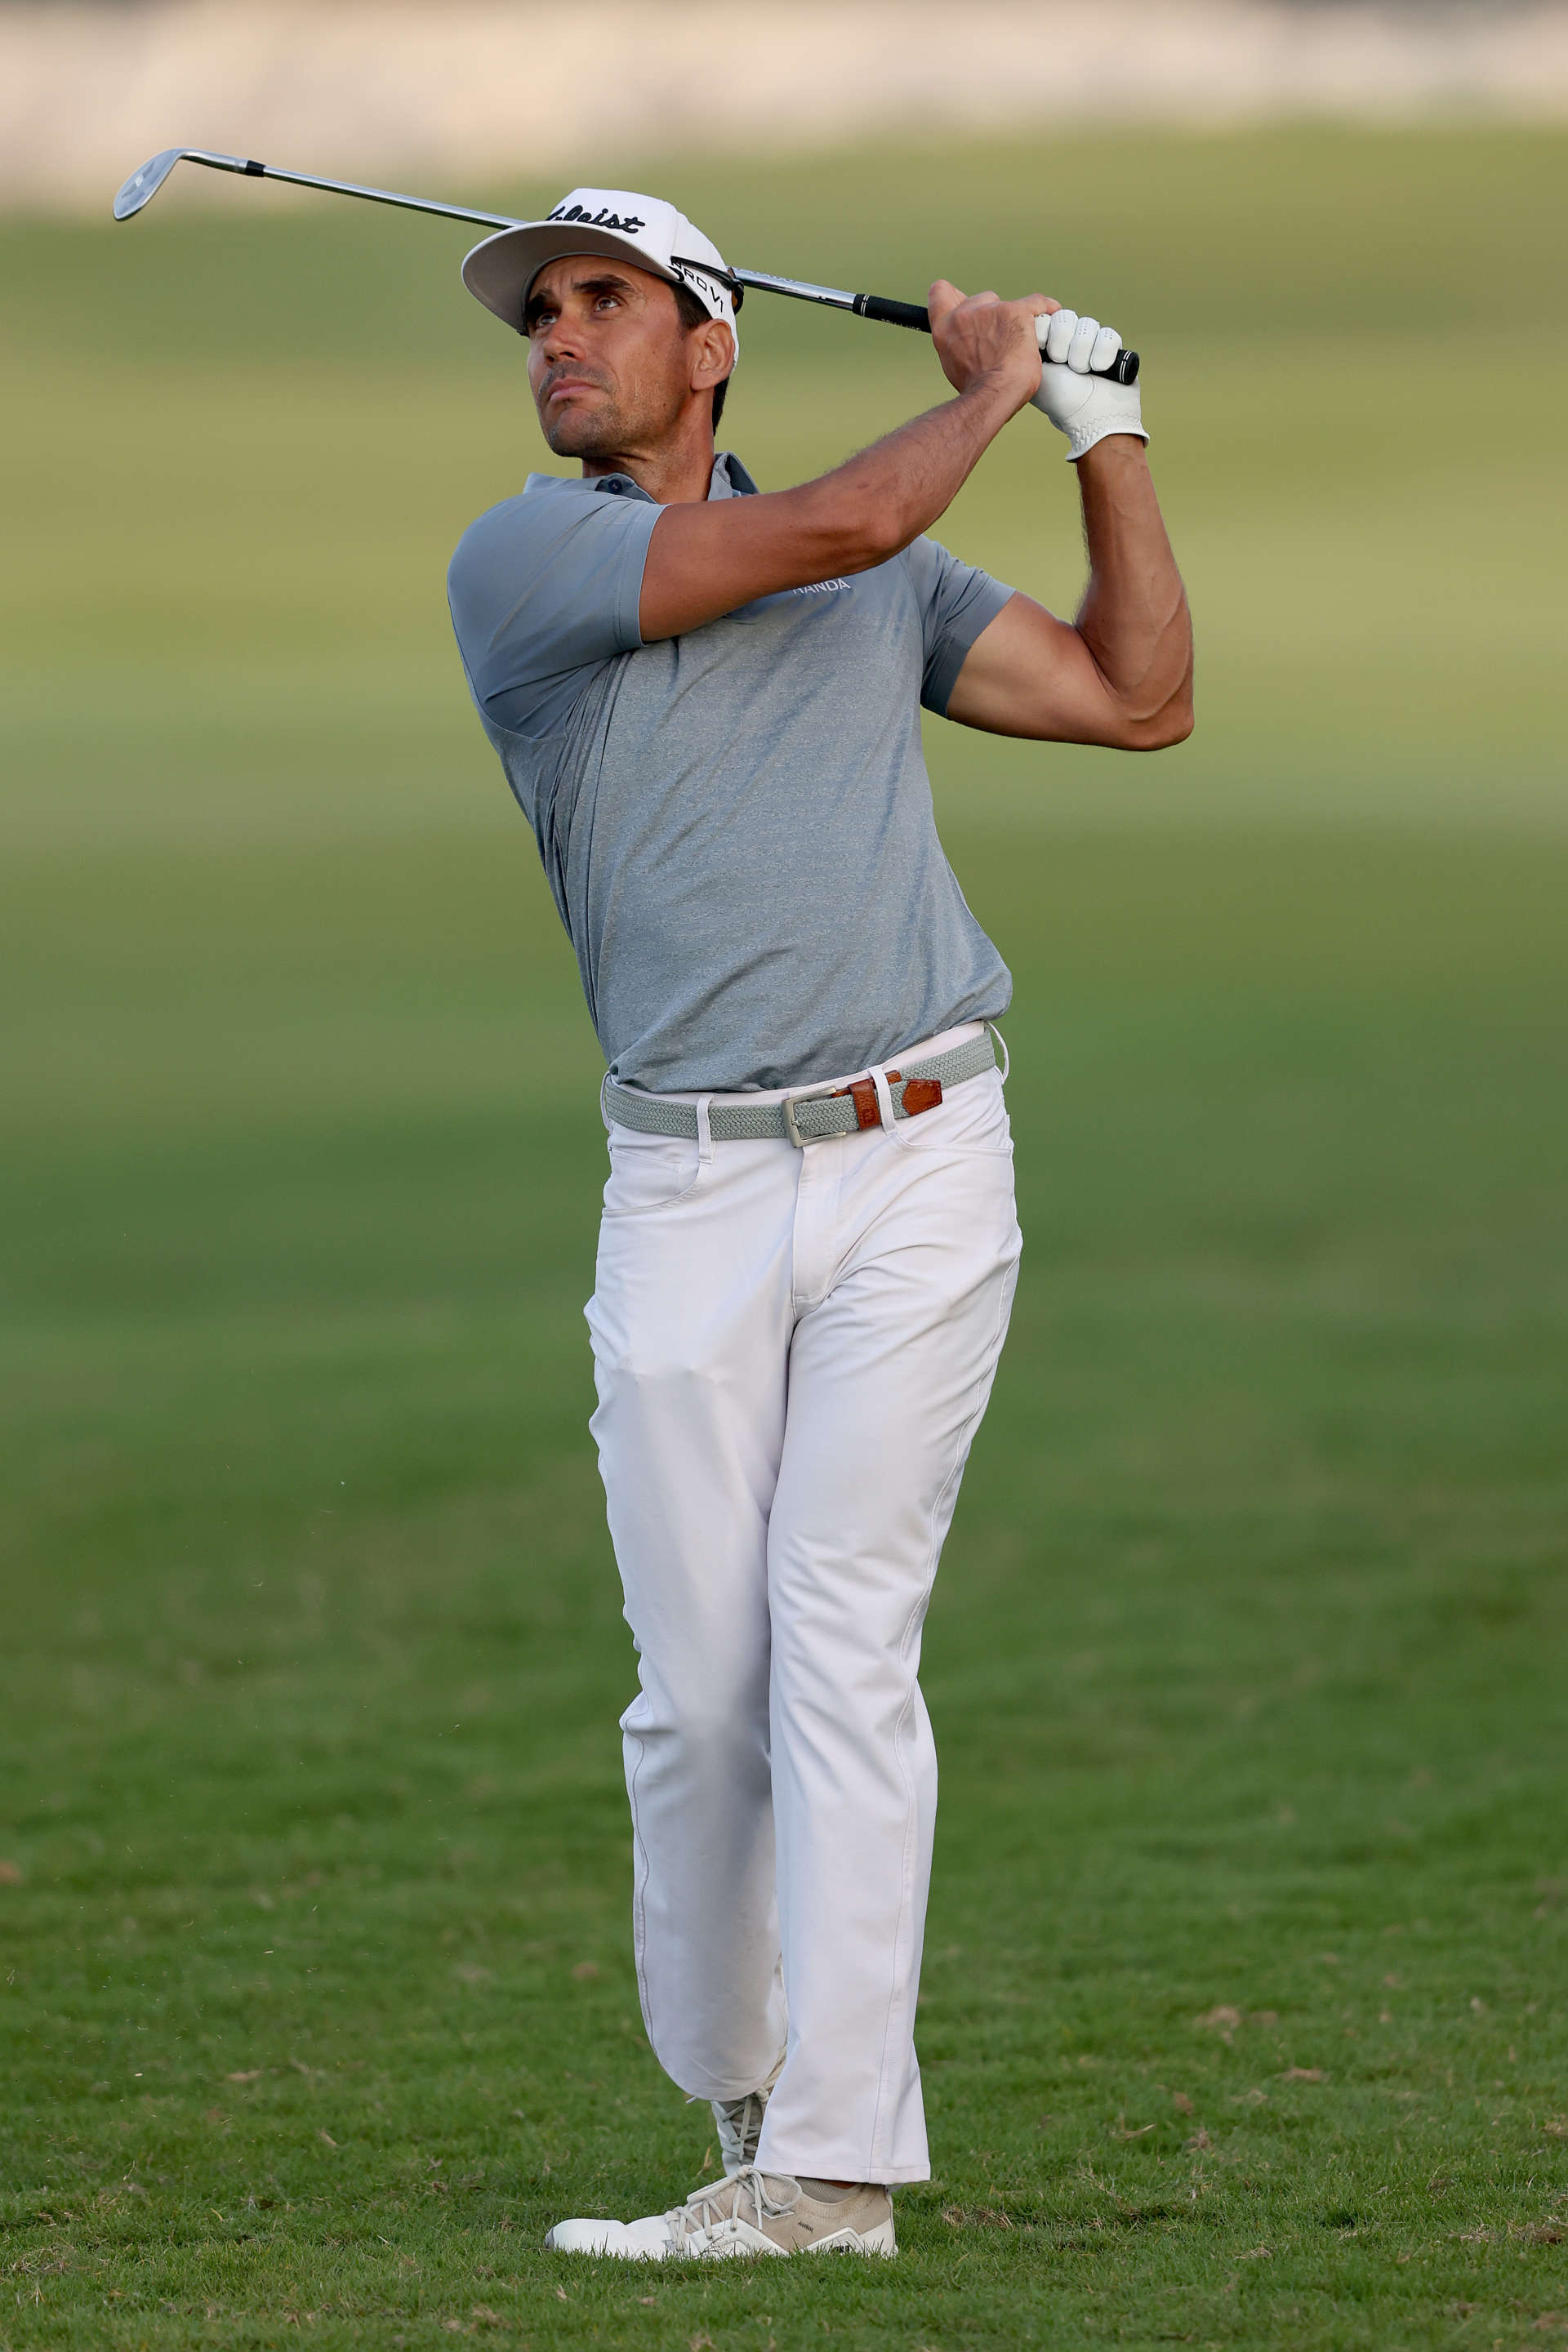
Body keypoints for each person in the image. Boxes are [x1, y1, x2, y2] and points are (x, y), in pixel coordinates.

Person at [446, 186, 1192, 2261]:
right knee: (700, 1697)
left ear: (715, 343)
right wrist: (994, 383)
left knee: (843, 1652)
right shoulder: (534, 558)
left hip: (924, 1155)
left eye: (608, 302)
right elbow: (839, 530)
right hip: (683, 1181)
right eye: (541, 313)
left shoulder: (889, 562)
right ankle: (746, 2103)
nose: (560, 336)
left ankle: (833, 2175)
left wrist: (1099, 436)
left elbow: (1139, 698)